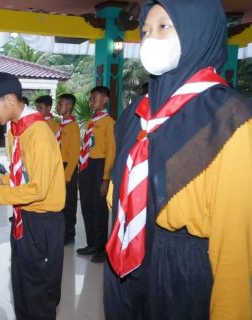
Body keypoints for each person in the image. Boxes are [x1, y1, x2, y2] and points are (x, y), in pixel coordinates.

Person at [104, 0, 252, 319]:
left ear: (197, 32)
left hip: (183, 269)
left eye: (163, 27)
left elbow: (235, 245)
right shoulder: (136, 114)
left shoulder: (231, 118)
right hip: (125, 252)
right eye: (145, 30)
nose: (150, 39)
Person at [0, 72, 66, 320]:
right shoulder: (16, 130)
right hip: (23, 218)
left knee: (39, 294)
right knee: (22, 287)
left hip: (42, 223)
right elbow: (21, 178)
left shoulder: (38, 134)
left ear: (10, 100)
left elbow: (37, 190)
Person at [76, 86, 115, 263]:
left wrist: (106, 178)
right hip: (86, 166)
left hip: (99, 166)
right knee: (86, 207)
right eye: (91, 99)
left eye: (95, 98)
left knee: (99, 209)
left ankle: (101, 248)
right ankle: (91, 243)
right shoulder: (91, 122)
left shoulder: (109, 123)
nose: (91, 102)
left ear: (105, 99)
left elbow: (111, 153)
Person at [56, 93, 81, 245]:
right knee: (60, 202)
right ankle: (61, 232)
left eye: (61, 104)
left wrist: (67, 175)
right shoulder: (61, 125)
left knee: (69, 203)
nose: (58, 106)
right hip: (58, 166)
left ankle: (69, 234)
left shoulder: (72, 127)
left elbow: (74, 154)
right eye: (58, 104)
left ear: (69, 106)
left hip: (68, 167)